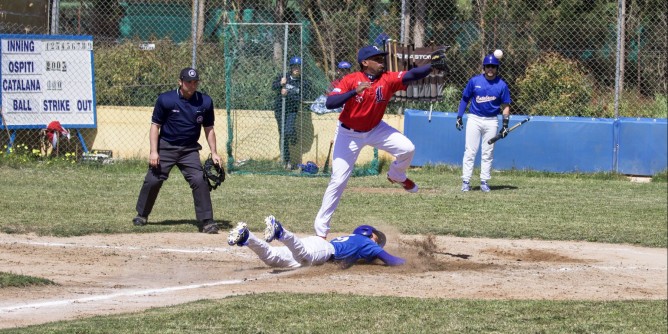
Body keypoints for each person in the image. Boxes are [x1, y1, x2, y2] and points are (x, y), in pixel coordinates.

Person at [313, 45, 445, 238]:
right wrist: (354, 92)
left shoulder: (387, 78)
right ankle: (321, 232)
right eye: (377, 59)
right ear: (365, 63)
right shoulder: (351, 80)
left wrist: (431, 66)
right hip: (348, 134)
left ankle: (397, 175)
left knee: (408, 148)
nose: (382, 61)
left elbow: (412, 75)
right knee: (338, 180)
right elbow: (330, 103)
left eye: (382, 58)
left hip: (375, 129)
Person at [132, 67, 222, 234]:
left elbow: (209, 128)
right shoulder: (166, 100)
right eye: (188, 81)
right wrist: (154, 151)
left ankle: (207, 222)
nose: (192, 85)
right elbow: (155, 126)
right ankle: (142, 214)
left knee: (199, 180)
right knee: (153, 180)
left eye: (195, 82)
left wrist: (214, 152)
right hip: (166, 146)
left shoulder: (205, 102)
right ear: (180, 82)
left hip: (189, 150)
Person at [227, 215, 405, 268]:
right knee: (304, 256)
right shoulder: (365, 242)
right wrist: (410, 263)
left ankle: (247, 237)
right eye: (376, 238)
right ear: (367, 233)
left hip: (320, 247)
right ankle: (280, 232)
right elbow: (390, 260)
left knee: (273, 258)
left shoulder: (355, 241)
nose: (377, 242)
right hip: (324, 250)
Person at [456, 54, 511, 192]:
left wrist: (505, 125)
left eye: (493, 66)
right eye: (488, 66)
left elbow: (505, 106)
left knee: (488, 152)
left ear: (497, 68)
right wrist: (459, 116)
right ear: (484, 67)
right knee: (470, 151)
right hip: (474, 119)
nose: (490, 69)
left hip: (492, 121)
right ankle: (466, 181)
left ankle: (484, 181)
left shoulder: (502, 85)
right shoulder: (474, 81)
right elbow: (465, 99)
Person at [272, 56, 312, 169]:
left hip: (292, 110)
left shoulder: (303, 82)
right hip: (280, 109)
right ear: (291, 67)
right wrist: (280, 84)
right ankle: (287, 160)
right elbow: (273, 87)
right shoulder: (283, 77)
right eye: (294, 66)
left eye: (298, 66)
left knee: (288, 131)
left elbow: (301, 98)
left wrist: (287, 93)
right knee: (283, 134)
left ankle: (293, 136)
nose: (296, 69)